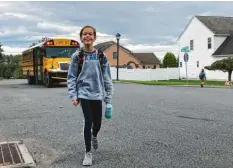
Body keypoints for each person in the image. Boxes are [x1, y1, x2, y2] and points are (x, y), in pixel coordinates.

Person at [67, 25, 114, 166]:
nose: (87, 36)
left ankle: (94, 135)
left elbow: (107, 76)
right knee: (88, 121)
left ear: (94, 37)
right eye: (85, 34)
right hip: (84, 93)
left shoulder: (100, 56)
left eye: (90, 34)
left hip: (97, 93)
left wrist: (108, 96)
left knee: (97, 123)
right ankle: (88, 152)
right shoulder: (77, 56)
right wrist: (74, 96)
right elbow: (71, 77)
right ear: (81, 37)